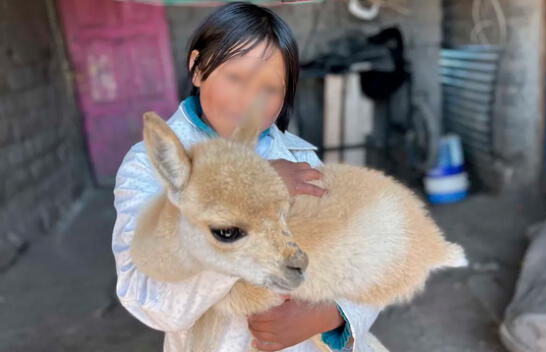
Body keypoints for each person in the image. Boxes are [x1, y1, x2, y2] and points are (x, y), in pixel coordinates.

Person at [111, 2, 380, 351]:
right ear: (197, 68)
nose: (249, 100)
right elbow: (145, 298)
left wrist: (332, 315)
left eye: (270, 89)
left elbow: (365, 260)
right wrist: (251, 192)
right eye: (235, 77)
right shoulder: (149, 167)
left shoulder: (300, 161)